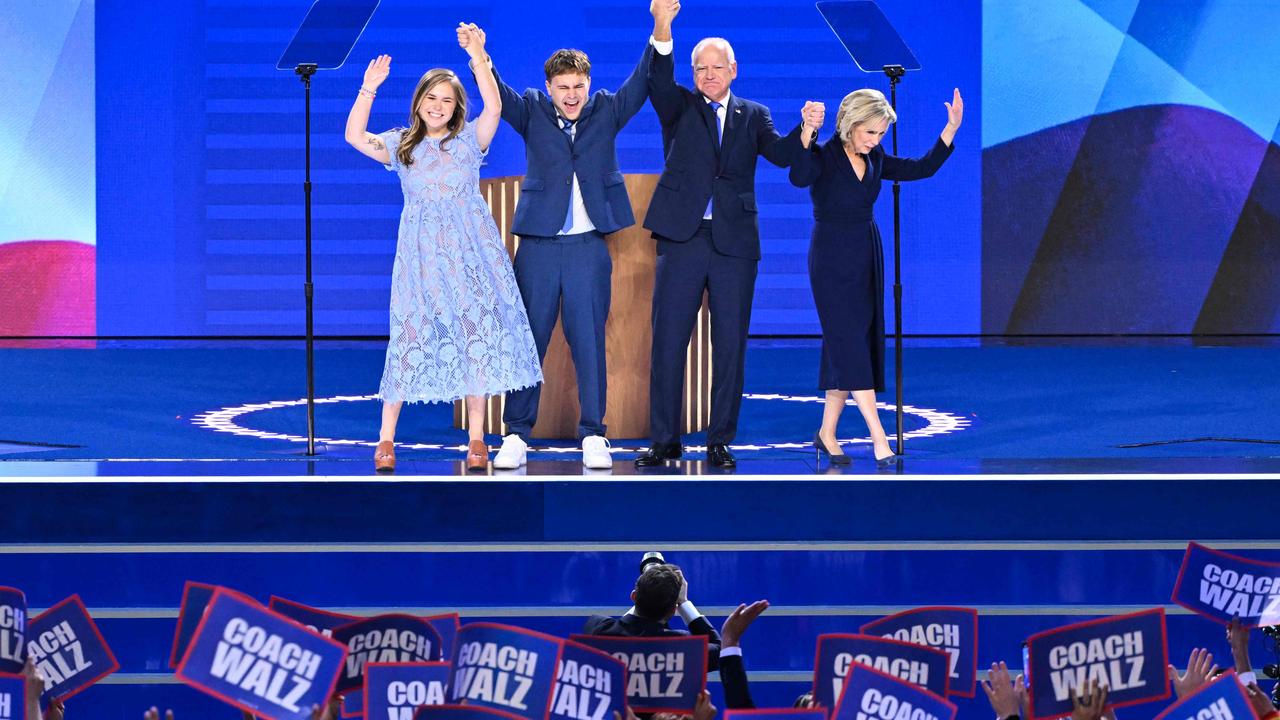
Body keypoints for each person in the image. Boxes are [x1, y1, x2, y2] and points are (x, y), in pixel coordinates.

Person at [344, 26, 542, 474]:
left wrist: (479, 57)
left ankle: (476, 441)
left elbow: (494, 105)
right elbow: (355, 136)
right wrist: (367, 89)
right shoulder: (401, 145)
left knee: (473, 337)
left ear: (456, 108)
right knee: (408, 335)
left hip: (472, 255)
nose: (437, 106)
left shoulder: (471, 140)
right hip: (420, 259)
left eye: (446, 100)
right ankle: (386, 440)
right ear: (418, 103)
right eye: (431, 98)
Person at [469, 12, 659, 471]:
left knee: (589, 340)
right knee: (527, 342)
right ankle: (516, 432)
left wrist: (661, 30)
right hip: (537, 245)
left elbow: (643, 80)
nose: (571, 95)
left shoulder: (609, 109)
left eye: (579, 86)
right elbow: (500, 96)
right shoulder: (531, 109)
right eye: (563, 87)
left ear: (588, 84)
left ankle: (594, 433)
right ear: (550, 88)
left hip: (587, 248)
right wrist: (479, 57)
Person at [636, 0, 815, 469]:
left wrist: (808, 131)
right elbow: (657, 77)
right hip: (682, 238)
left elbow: (781, 155)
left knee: (731, 344)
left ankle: (719, 440)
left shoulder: (754, 115)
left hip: (735, 245)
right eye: (701, 68)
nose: (709, 74)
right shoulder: (678, 107)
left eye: (717, 67)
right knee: (668, 340)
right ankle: (664, 440)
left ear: (734, 70)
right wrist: (663, 26)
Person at [789, 87, 962, 466]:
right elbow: (799, 176)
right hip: (831, 258)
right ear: (850, 125)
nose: (875, 141)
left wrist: (949, 129)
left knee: (850, 344)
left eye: (881, 134)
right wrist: (805, 132)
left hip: (867, 253)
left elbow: (919, 168)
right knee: (848, 342)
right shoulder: (823, 156)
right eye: (870, 133)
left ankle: (826, 433)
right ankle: (878, 437)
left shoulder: (877, 156)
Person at [582, 562, 723, 671]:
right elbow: (721, 651)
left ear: (633, 596)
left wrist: (649, 589)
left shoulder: (598, 628)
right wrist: (683, 602)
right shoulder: (681, 647)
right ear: (673, 610)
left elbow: (621, 628)